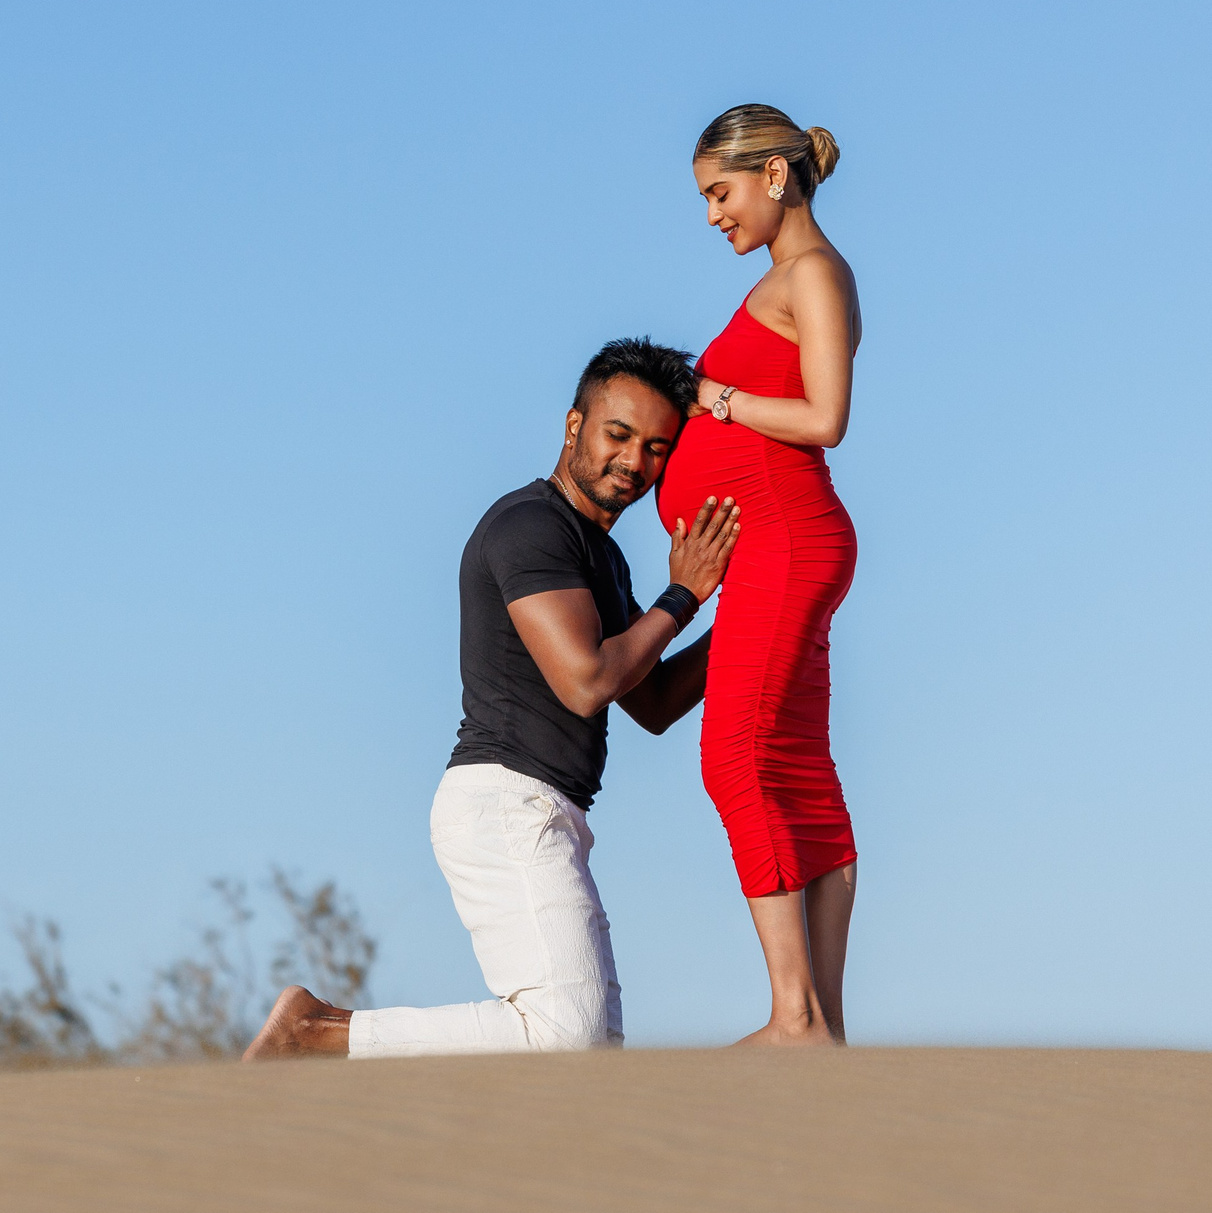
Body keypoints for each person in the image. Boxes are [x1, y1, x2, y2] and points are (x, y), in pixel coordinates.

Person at [243, 337, 740, 1060]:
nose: (635, 462)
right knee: (564, 1033)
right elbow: (588, 680)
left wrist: (755, 620)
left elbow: (654, 698)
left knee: (596, 1050)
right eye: (618, 434)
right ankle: (316, 1031)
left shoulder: (602, 553)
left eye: (657, 448)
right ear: (574, 426)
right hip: (505, 801)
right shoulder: (531, 527)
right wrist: (685, 594)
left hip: (551, 811)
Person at [655, 104, 862, 1046]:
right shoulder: (782, 279)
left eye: (721, 192)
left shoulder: (811, 273)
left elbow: (825, 417)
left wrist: (716, 399)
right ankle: (823, 1027)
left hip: (786, 541)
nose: (712, 216)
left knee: (734, 754)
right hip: (780, 547)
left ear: (776, 175)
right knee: (795, 769)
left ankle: (795, 1017)